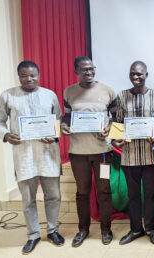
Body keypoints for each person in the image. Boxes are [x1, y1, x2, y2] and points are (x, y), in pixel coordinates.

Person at [0, 61, 64, 254]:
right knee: (28, 199)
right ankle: (33, 235)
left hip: (48, 154)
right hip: (24, 156)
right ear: (19, 76)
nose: (29, 79)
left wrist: (55, 134)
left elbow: (58, 120)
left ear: (39, 75)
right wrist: (7, 135)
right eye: (24, 75)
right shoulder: (8, 96)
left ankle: (52, 230)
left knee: (54, 195)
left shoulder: (49, 95)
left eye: (33, 75)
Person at [61, 56, 116, 247]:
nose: (89, 72)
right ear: (76, 71)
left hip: (102, 152)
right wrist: (64, 127)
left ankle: (106, 229)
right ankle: (83, 229)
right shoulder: (69, 92)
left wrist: (109, 128)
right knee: (82, 193)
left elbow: (115, 119)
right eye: (84, 69)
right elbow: (66, 118)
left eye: (92, 68)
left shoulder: (107, 91)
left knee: (104, 191)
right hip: (78, 153)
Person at [111, 61, 154, 245]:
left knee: (150, 195)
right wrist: (114, 139)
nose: (136, 77)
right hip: (129, 155)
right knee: (133, 195)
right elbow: (117, 123)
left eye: (139, 74)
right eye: (132, 74)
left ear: (146, 75)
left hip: (150, 155)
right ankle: (135, 229)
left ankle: (150, 229)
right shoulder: (121, 96)